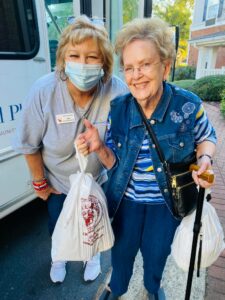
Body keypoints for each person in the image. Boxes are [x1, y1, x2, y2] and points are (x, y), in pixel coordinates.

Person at [76, 17, 217, 299]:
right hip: (126, 203)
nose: (136, 74)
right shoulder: (119, 109)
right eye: (129, 67)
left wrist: (205, 160)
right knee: (121, 257)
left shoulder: (187, 106)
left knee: (156, 257)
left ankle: (153, 289)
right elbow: (115, 162)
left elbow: (207, 138)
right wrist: (99, 147)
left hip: (164, 207)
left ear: (165, 67)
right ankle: (117, 289)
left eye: (145, 65)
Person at [13, 15, 128, 284]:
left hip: (96, 179)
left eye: (92, 57)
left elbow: (125, 140)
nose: (83, 64)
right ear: (63, 59)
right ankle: (59, 256)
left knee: (93, 223)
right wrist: (40, 184)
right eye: (74, 55)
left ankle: (92, 257)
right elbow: (29, 144)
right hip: (58, 181)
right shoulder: (44, 91)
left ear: (104, 63)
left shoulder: (116, 91)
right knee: (59, 225)